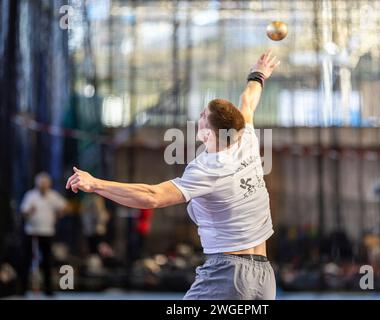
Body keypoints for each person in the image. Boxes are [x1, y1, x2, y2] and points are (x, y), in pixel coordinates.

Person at [66, 49, 280, 299]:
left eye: (203, 116)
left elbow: (152, 196)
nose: (199, 117)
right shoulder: (246, 138)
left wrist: (95, 184)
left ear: (208, 133)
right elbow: (248, 101)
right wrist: (258, 75)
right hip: (264, 277)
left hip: (228, 274)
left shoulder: (209, 169)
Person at [20, 172, 69, 296]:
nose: (43, 186)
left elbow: (65, 206)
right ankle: (22, 289)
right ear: (37, 184)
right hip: (32, 232)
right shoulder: (31, 195)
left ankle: (48, 290)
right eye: (41, 183)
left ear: (49, 184)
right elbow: (24, 212)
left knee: (47, 262)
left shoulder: (53, 196)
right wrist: (30, 212)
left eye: (45, 183)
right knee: (27, 260)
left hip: (47, 232)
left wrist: (59, 214)